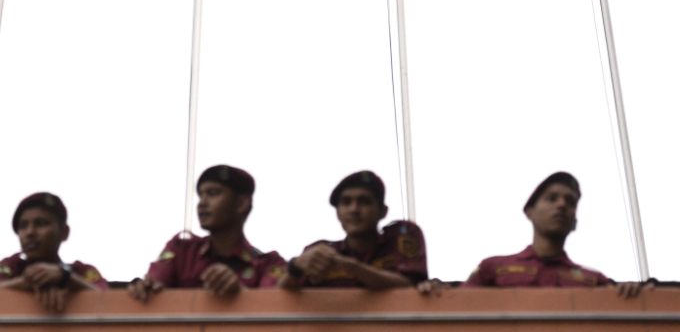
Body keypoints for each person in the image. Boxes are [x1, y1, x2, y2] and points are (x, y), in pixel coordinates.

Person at [462, 171, 645, 297]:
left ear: (575, 222)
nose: (561, 205)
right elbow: (456, 307)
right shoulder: (493, 268)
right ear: (529, 212)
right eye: (551, 198)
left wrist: (634, 292)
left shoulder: (593, 280)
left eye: (570, 202)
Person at [128, 165, 286, 300]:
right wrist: (145, 288)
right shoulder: (181, 250)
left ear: (241, 203)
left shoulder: (267, 264)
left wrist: (239, 295)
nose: (202, 203)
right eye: (200, 195)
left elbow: (273, 307)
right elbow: (155, 282)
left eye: (213, 193)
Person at [280, 170, 427, 290]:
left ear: (383, 211)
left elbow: (410, 286)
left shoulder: (401, 236)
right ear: (337, 213)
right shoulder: (319, 250)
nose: (354, 209)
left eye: (364, 201)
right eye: (346, 202)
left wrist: (352, 267)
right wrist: (295, 267)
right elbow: (279, 299)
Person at [0, 192, 107, 312]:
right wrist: (30, 281)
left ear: (64, 232)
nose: (30, 232)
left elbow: (106, 298)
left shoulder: (81, 271)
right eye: (23, 226)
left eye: (41, 223)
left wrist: (66, 278)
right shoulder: (11, 266)